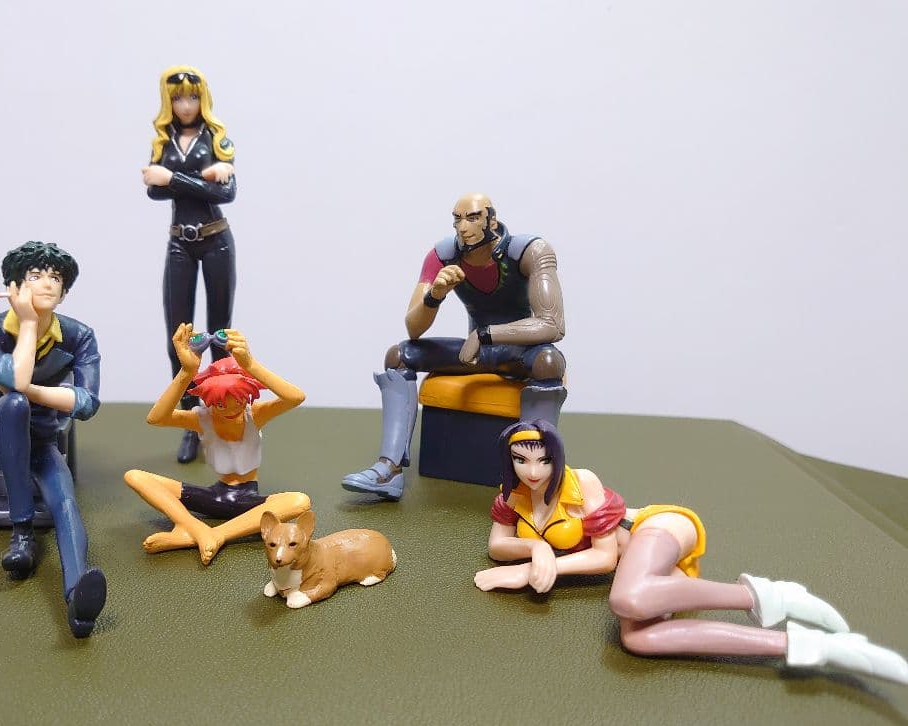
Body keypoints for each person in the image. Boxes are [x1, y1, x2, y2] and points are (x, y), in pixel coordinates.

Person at [474, 421, 908, 684]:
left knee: (625, 600)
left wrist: (536, 567)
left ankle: (763, 595)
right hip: (648, 575)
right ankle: (801, 644)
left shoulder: (580, 481)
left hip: (658, 529)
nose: (533, 471)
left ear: (557, 457)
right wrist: (535, 547)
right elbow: (498, 545)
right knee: (637, 638)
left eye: (543, 460)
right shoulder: (513, 497)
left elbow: (604, 558)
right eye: (521, 460)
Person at [342, 193, 566, 501]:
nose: (463, 227)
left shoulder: (529, 251)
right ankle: (388, 470)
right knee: (399, 356)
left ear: (492, 221)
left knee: (550, 361)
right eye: (457, 219)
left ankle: (534, 484)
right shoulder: (443, 255)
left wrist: (486, 335)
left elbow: (553, 324)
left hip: (520, 353)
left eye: (473, 217)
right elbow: (413, 328)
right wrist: (434, 295)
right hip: (479, 354)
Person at [0, 241, 107, 639]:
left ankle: (78, 600)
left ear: (64, 291)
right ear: (13, 286)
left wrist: (33, 392)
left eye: (56, 277)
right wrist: (27, 325)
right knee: (12, 404)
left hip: (43, 439)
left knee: (65, 502)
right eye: (35, 275)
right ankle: (22, 533)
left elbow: (87, 403)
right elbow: (15, 380)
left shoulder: (78, 336)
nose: (47, 283)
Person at [124, 325, 310, 565]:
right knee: (135, 476)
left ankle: (211, 535)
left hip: (248, 500)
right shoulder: (203, 419)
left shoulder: (255, 415)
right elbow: (156, 418)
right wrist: (187, 371)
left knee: (299, 501)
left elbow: (296, 397)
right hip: (215, 496)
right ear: (209, 400)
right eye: (221, 404)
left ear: (247, 397)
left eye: (238, 401)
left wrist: (250, 364)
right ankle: (193, 528)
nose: (230, 410)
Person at [143, 65, 237, 465]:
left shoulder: (215, 137)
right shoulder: (163, 139)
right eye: (178, 97)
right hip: (180, 242)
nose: (186, 105)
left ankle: (224, 414)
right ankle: (189, 421)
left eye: (193, 97)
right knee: (178, 336)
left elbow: (227, 192)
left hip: (216, 240)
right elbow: (152, 189)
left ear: (204, 99)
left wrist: (174, 179)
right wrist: (199, 179)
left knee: (220, 335)